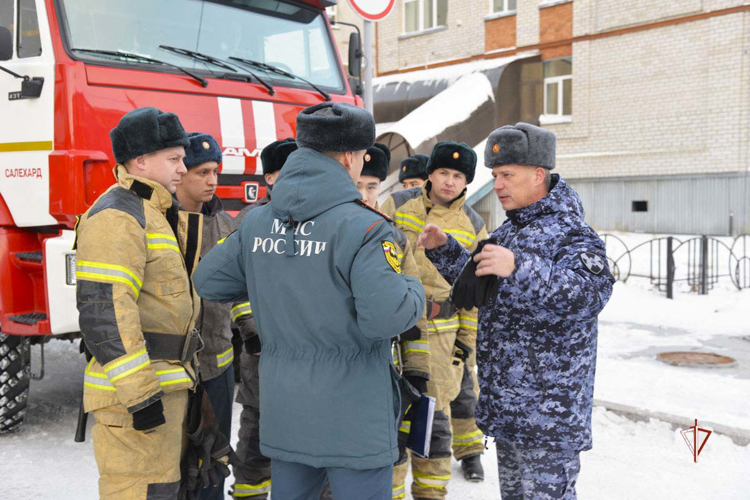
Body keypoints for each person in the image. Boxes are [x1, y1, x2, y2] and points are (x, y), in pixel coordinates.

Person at [193, 102, 425, 500]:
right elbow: (386, 317)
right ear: (351, 157)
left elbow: (208, 279)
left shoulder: (259, 221)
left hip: (287, 411)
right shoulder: (366, 227)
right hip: (354, 415)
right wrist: (413, 289)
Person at [418, 123, 615, 500]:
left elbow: (591, 294)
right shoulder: (510, 233)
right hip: (510, 413)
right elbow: (483, 285)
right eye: (495, 176)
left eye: (507, 175)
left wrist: (520, 267)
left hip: (548, 420)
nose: (498, 185)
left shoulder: (572, 233)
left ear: (538, 175)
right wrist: (446, 249)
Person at [75, 107, 202, 499]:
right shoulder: (118, 215)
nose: (184, 167)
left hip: (163, 388)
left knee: (161, 490)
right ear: (141, 160)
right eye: (174, 159)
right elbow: (105, 314)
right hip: (134, 400)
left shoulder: (155, 212)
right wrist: (141, 395)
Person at [380, 142, 489, 499]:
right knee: (392, 424)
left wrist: (466, 345)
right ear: (430, 173)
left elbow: (478, 295)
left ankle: (431, 493)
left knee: (436, 427)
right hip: (398, 332)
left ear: (466, 183)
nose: (449, 181)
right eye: (444, 172)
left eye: (458, 176)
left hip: (444, 342)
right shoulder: (397, 206)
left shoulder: (474, 223)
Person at [176, 131, 255, 500]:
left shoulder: (226, 224)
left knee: (213, 467)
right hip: (176, 372)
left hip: (218, 370)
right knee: (176, 469)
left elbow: (237, 289)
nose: (213, 181)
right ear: (180, 175)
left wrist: (250, 327)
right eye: (202, 172)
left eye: (216, 172)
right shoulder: (161, 224)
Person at [355, 143, 431, 500]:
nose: (366, 195)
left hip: (384, 373)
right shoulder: (319, 231)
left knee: (383, 466)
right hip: (334, 373)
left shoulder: (393, 236)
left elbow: (413, 311)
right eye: (358, 185)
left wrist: (416, 370)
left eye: (372, 187)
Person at [231, 137, 297, 500]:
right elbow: (234, 284)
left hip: (307, 359)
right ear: (270, 178)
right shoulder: (250, 221)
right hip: (262, 356)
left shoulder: (321, 218)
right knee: (256, 440)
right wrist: (252, 331)